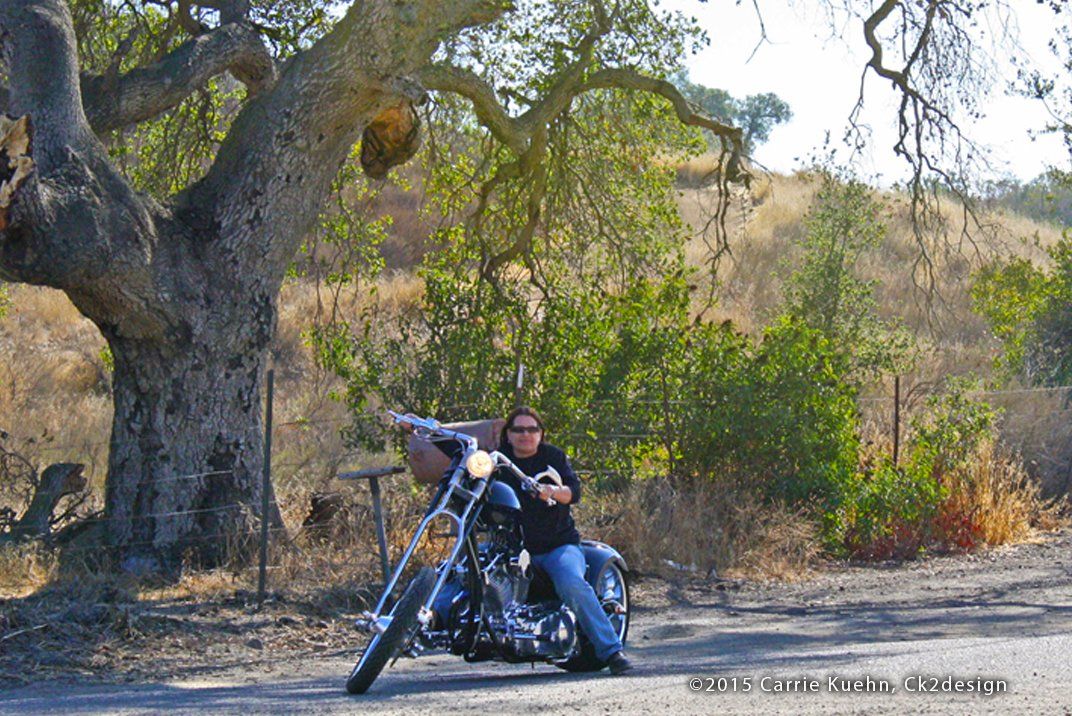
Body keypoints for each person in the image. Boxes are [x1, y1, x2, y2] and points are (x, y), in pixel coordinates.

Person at [410, 406, 633, 676]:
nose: (525, 434)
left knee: (571, 582)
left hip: (557, 547)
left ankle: (611, 650)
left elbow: (573, 492)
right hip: (509, 548)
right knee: (457, 569)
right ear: (508, 434)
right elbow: (460, 450)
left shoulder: (552, 457)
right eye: (518, 429)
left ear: (541, 433)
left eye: (531, 429)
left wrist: (551, 491)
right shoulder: (498, 461)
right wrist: (423, 430)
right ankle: (427, 620)